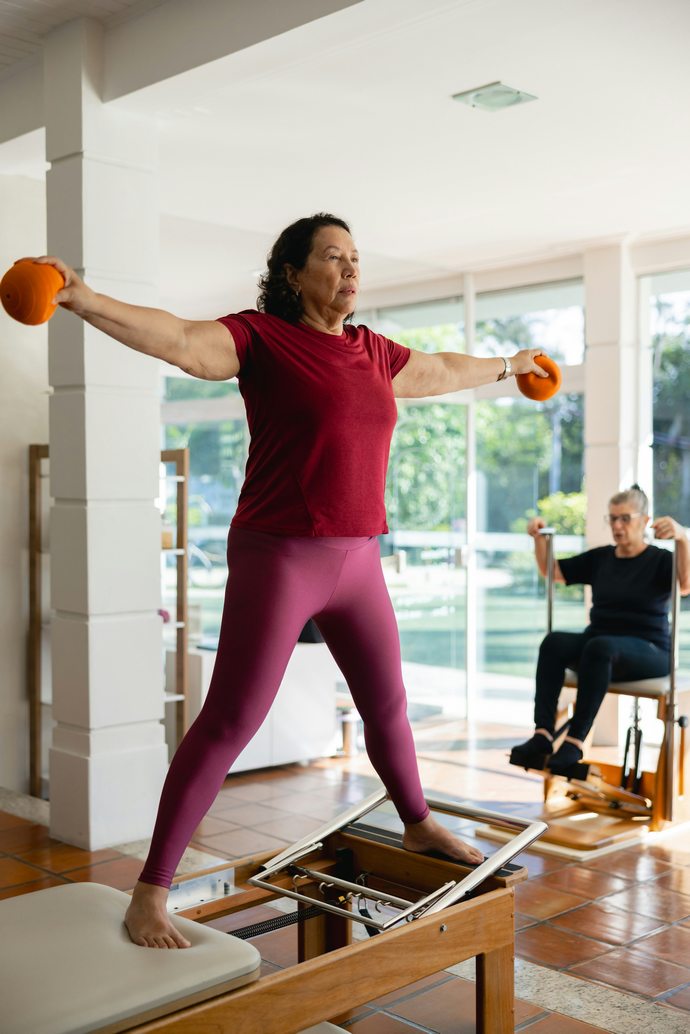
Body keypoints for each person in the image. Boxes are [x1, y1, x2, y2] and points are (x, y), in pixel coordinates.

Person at [29, 212, 548, 948]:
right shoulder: (261, 339)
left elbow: (438, 369)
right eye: (332, 257)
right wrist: (83, 298)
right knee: (230, 721)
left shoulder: (373, 351)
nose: (349, 268)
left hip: (359, 559)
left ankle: (418, 821)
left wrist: (510, 365)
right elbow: (178, 338)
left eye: (355, 256)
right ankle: (151, 891)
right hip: (280, 558)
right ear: (293, 274)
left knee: (388, 704)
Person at [511, 485, 690, 775]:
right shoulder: (601, 558)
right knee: (553, 642)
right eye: (613, 518)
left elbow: (685, 584)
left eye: (625, 518)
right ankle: (542, 735)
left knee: (599, 647)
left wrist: (682, 537)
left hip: (650, 650)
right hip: (600, 648)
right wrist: (538, 538)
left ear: (645, 521)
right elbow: (552, 571)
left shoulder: (660, 560)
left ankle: (574, 744)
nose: (617, 526)